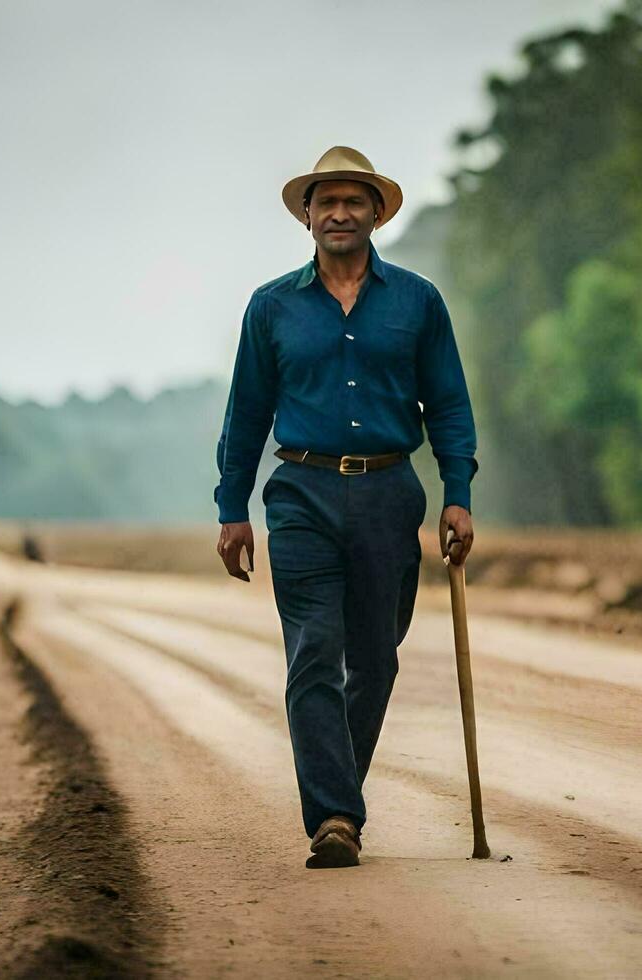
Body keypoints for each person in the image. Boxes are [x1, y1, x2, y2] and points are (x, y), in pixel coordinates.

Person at [213, 145, 478, 869]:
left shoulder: (417, 302)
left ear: (375, 215)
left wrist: (458, 495)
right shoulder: (272, 308)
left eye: (352, 202)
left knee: (375, 662)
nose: (338, 213)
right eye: (325, 201)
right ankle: (334, 815)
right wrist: (231, 506)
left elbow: (448, 403)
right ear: (306, 217)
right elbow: (247, 413)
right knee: (312, 652)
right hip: (301, 494)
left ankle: (339, 796)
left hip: (392, 494)